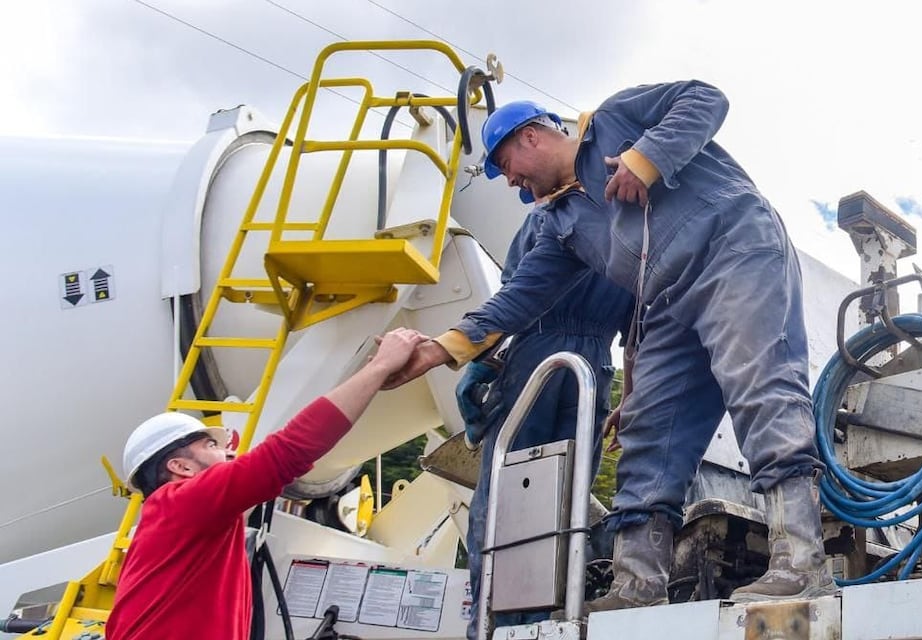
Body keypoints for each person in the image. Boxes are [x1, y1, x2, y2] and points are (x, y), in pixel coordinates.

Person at [384, 81, 836, 614]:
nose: (510, 180)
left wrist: (647, 159)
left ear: (531, 136)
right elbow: (520, 298)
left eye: (506, 164)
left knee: (758, 387)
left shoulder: (615, 120)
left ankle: (801, 564)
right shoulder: (559, 227)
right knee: (647, 430)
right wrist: (443, 349)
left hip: (733, 249)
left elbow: (705, 99)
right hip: (665, 302)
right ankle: (638, 585)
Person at [105, 328, 427, 640]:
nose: (229, 450)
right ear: (181, 466)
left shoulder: (180, 518)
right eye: (211, 446)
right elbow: (290, 451)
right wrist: (380, 367)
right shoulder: (183, 503)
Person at [459, 204, 633, 639]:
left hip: (534, 358)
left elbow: (514, 299)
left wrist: (478, 363)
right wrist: (629, 397)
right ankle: (540, 624)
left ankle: (490, 623)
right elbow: (638, 335)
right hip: (593, 372)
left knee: (505, 497)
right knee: (566, 502)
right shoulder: (636, 232)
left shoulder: (552, 215)